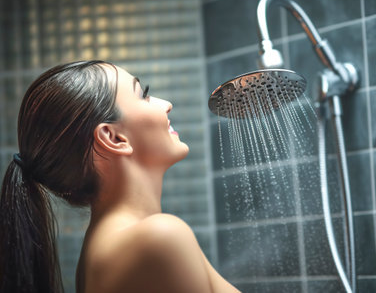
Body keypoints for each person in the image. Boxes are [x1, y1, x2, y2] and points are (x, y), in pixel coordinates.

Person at [0, 60, 240, 293]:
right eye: (143, 95)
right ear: (113, 138)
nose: (166, 104)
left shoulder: (99, 252)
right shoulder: (159, 239)